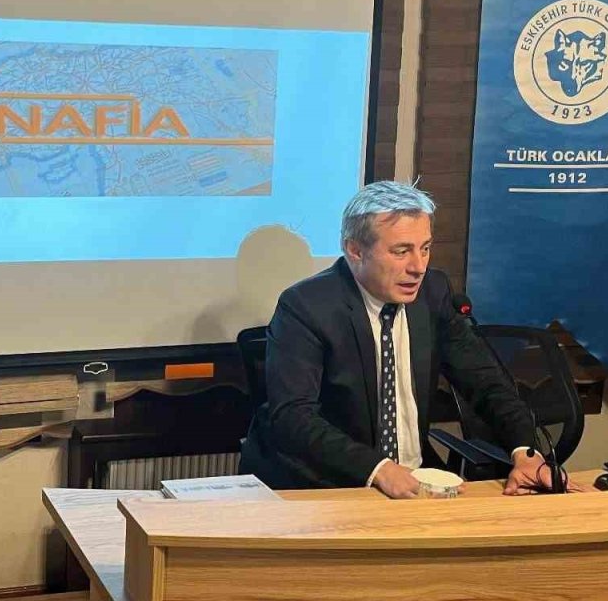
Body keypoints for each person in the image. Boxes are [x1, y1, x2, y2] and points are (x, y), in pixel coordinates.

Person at [240, 181, 570, 498]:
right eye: (401, 251)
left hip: (415, 479)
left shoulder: (434, 293)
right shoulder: (306, 307)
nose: (418, 267)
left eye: (425, 249)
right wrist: (378, 469)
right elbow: (293, 416)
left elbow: (486, 382)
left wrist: (526, 451)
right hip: (325, 485)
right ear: (355, 250)